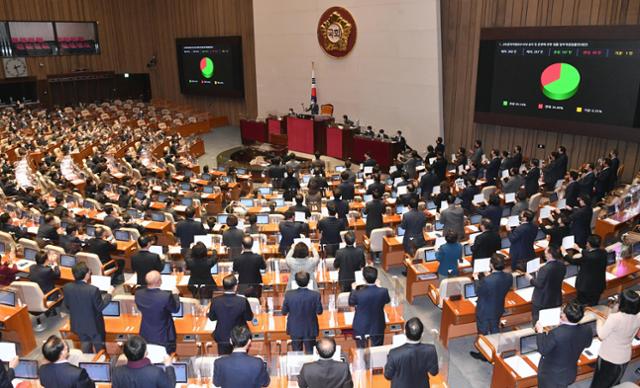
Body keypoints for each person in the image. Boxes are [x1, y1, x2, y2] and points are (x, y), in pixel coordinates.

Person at [535, 300, 593, 388]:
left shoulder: (556, 333)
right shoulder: (587, 329)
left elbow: (543, 350)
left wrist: (540, 332)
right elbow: (587, 344)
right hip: (569, 372)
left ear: (565, 316)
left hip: (551, 376)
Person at [591, 289, 640, 388]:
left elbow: (601, 335)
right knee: (613, 382)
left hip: (609, 358)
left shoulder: (616, 318)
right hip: (624, 356)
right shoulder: (638, 315)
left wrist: (598, 320)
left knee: (599, 384)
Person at [62, 262, 113, 352]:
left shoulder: (66, 287)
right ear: (86, 275)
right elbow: (100, 307)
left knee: (85, 347)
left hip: (77, 324)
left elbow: (67, 305)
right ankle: (103, 360)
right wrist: (109, 294)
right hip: (94, 326)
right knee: (100, 349)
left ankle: (88, 360)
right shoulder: (93, 290)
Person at [470, 255, 512, 361]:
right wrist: (488, 276)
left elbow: (478, 291)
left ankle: (483, 354)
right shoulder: (509, 276)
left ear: (491, 265)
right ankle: (496, 349)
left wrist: (475, 278)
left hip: (485, 309)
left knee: (483, 331)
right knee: (494, 328)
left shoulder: (487, 280)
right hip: (498, 307)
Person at [384, 317, 439, 388]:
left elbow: (388, 376)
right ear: (422, 334)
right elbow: (434, 372)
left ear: (404, 332)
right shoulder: (431, 350)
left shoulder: (394, 353)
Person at [135, 271, 180, 353]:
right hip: (164, 336)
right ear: (159, 281)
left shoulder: (138, 294)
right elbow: (175, 309)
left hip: (146, 334)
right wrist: (175, 295)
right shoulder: (165, 296)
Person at [208, 275, 253, 355]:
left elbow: (212, 318)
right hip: (239, 337)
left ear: (223, 287)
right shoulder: (242, 301)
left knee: (223, 358)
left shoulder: (215, 301)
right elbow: (249, 317)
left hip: (222, 337)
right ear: (235, 287)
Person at [281, 271, 323, 353]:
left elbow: (284, 312)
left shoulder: (289, 294)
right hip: (310, 328)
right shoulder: (315, 295)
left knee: (296, 353)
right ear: (308, 281)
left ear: (296, 282)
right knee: (311, 353)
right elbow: (319, 312)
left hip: (294, 328)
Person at [349, 266, 391, 347]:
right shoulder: (383, 291)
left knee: (361, 349)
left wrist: (353, 289)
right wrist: (379, 286)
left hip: (361, 324)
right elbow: (387, 300)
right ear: (376, 278)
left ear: (364, 279)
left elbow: (351, 303)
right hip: (378, 324)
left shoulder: (357, 292)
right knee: (377, 349)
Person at [563, 234, 607, 306]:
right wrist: (578, 248)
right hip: (599, 285)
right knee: (594, 303)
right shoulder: (603, 252)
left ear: (589, 244)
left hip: (585, 287)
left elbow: (573, 261)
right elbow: (587, 253)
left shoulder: (588, 257)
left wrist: (564, 253)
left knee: (582, 304)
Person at [528, 246, 566, 323]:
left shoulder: (545, 269)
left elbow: (539, 284)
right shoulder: (562, 265)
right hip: (555, 298)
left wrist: (530, 278)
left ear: (550, 255)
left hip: (542, 300)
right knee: (552, 321)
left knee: (538, 321)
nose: (544, 253)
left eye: (546, 251)